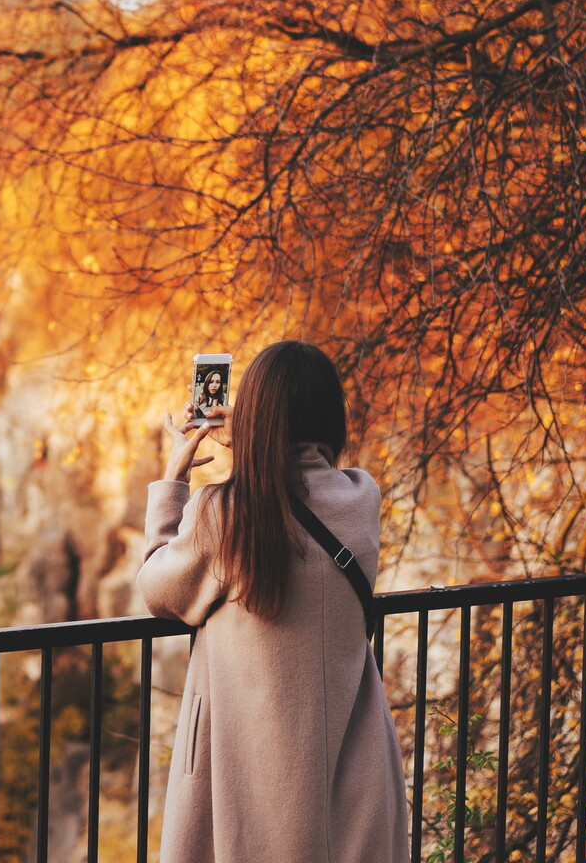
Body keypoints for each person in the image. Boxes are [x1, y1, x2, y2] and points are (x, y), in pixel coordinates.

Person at [138, 341, 408, 863]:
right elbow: (297, 476)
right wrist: (263, 428)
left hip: (243, 784)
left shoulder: (224, 514)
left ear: (257, 417)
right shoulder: (360, 498)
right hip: (352, 778)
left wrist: (173, 481)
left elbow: (157, 588)